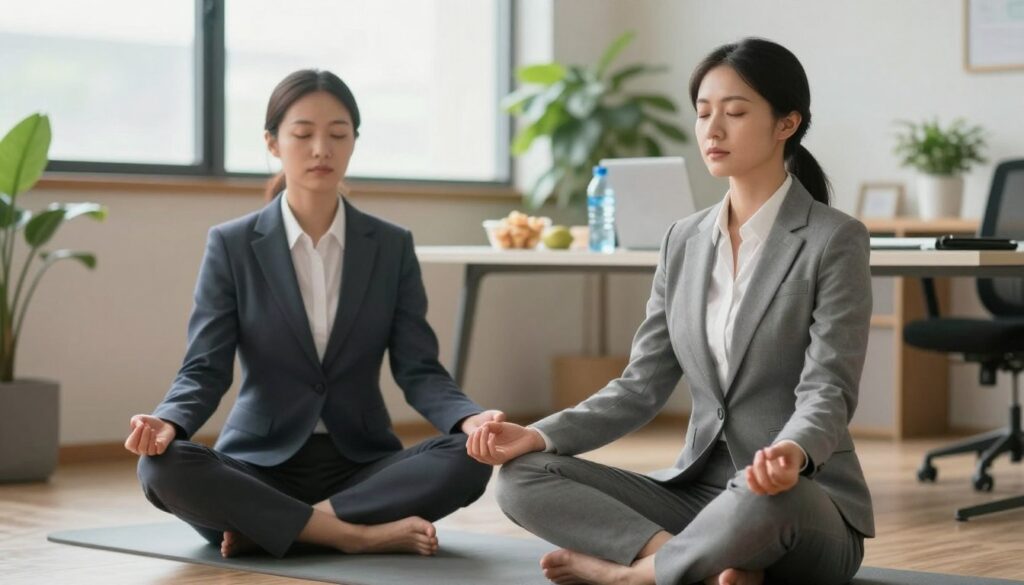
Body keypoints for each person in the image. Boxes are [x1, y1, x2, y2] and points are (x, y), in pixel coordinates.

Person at [467, 38, 873, 585]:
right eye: (704, 113)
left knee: (769, 502)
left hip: (798, 495)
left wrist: (791, 455)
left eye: (734, 112)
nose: (713, 129)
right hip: (698, 496)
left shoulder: (833, 239)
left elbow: (828, 389)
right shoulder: (682, 240)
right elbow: (639, 387)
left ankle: (636, 575)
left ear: (786, 124)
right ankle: (697, 564)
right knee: (521, 477)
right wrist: (537, 435)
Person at [125, 69, 501, 559]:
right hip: (258, 465)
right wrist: (167, 423)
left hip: (362, 465)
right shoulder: (232, 245)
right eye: (303, 134)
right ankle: (353, 534)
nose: (321, 148)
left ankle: (277, 527)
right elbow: (205, 368)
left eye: (338, 135)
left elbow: (419, 369)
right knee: (160, 467)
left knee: (468, 460)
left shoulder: (391, 246)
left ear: (353, 143)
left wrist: (471, 421)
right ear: (273, 143)